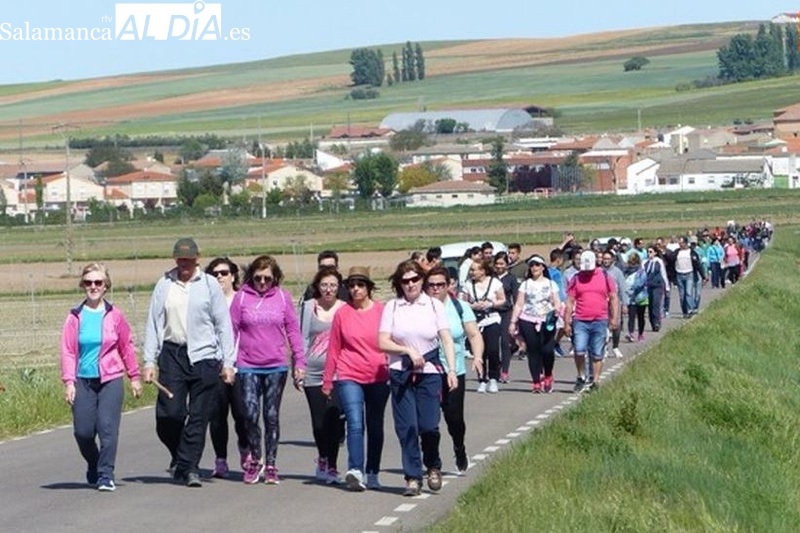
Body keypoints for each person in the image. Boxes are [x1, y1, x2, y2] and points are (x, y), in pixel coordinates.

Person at [142, 238, 235, 488]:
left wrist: (228, 362)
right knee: (169, 415)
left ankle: (190, 467)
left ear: (197, 259)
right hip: (172, 354)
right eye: (180, 259)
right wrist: (149, 360)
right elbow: (153, 323)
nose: (184, 263)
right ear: (175, 259)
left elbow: (223, 325)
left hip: (204, 357)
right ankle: (180, 456)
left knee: (198, 416)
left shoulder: (209, 285)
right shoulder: (164, 284)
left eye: (189, 259)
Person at [379, 260, 458, 497]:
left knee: (428, 425)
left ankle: (433, 465)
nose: (410, 284)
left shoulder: (433, 305)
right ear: (399, 284)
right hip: (401, 373)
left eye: (415, 279)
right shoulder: (393, 307)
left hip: (430, 373)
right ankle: (412, 476)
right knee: (407, 427)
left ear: (422, 280)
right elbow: (382, 341)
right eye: (405, 280)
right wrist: (407, 351)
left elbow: (445, 339)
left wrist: (452, 370)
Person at [61, 263, 142, 492]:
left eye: (98, 282)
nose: (93, 287)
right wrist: (69, 382)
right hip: (83, 380)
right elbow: (67, 350)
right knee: (83, 432)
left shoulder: (115, 316)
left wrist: (134, 376)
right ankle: (94, 464)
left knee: (107, 428)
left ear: (106, 286)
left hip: (110, 378)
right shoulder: (75, 317)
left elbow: (126, 346)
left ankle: (106, 474)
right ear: (82, 285)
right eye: (88, 282)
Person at [231, 255, 306, 485]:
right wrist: (228, 362)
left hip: (275, 364)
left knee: (271, 416)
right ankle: (255, 459)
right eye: (258, 278)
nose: (262, 283)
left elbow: (293, 330)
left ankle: (271, 463)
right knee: (250, 414)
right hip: (247, 364)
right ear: (251, 277)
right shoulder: (242, 297)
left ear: (275, 279)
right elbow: (231, 330)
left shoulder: (282, 298)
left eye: (267, 279)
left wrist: (299, 362)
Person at [323, 266, 390, 492]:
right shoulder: (342, 314)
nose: (355, 289)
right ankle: (355, 470)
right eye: (351, 285)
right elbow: (334, 348)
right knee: (354, 422)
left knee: (375, 425)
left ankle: (372, 471)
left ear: (368, 287)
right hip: (349, 374)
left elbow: (393, 341)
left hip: (378, 374)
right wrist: (327, 380)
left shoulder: (382, 311)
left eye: (360, 285)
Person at [425, 266, 484, 474]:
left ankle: (459, 448)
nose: (435, 289)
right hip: (427, 372)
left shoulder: (460, 307)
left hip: (454, 372)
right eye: (431, 285)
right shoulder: (420, 308)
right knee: (428, 422)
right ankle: (432, 462)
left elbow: (474, 335)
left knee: (454, 419)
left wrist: (477, 357)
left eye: (440, 284)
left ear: (448, 285)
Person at [300, 266, 347, 485]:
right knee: (319, 423)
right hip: (313, 370)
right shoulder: (309, 307)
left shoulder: (345, 309)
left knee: (334, 419)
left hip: (339, 372)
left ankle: (333, 467)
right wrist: (298, 367)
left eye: (333, 286)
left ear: (339, 288)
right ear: (318, 287)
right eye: (324, 285)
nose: (328, 290)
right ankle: (322, 457)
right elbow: (302, 339)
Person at [204, 257, 248, 479]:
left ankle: (245, 449)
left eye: (223, 272)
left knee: (243, 414)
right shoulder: (207, 301)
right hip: (215, 364)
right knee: (217, 416)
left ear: (233, 275)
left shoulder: (242, 300)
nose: (219, 277)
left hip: (242, 364)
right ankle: (220, 459)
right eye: (214, 273)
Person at [563, 250, 618, 393]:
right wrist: (566, 321)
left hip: (600, 320)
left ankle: (595, 381)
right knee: (579, 349)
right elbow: (569, 301)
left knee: (597, 352)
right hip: (580, 320)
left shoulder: (605, 276)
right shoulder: (576, 278)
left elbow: (613, 298)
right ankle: (581, 376)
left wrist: (614, 318)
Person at [510, 255, 560, 393]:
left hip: (547, 320)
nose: (534, 268)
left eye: (537, 265)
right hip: (528, 319)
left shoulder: (550, 284)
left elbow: (556, 301)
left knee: (547, 350)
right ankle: (536, 381)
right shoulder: (525, 285)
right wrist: (513, 322)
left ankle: (548, 374)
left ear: (543, 267)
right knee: (533, 351)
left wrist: (556, 309)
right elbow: (519, 304)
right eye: (532, 265)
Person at [460, 258, 505, 393]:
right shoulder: (468, 284)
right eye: (471, 270)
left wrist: (490, 304)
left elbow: (502, 299)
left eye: (474, 270)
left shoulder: (495, 282)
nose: (472, 272)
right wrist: (472, 306)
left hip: (492, 319)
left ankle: (493, 378)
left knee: (493, 349)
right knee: (479, 351)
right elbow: (461, 300)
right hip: (475, 320)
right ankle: (482, 379)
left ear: (483, 271)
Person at [493, 251, 518, 383]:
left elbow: (515, 298)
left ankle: (504, 371)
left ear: (507, 265)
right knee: (493, 343)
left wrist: (515, 318)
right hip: (493, 311)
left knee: (505, 342)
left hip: (506, 312)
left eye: (501, 263)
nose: (499, 266)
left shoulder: (511, 278)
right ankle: (495, 369)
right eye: (496, 263)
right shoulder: (491, 277)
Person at [623, 253, 648, 342]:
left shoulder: (641, 272)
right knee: (631, 316)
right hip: (630, 299)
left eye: (634, 262)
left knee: (641, 317)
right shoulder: (625, 272)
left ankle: (640, 334)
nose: (632, 264)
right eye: (631, 262)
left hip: (640, 297)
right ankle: (631, 333)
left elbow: (641, 283)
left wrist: (631, 289)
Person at [644, 245, 669, 332]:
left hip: (657, 286)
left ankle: (657, 322)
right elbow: (642, 275)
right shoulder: (645, 263)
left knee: (656, 304)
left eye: (650, 252)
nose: (649, 254)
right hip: (648, 286)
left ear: (655, 253)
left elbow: (663, 274)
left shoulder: (659, 262)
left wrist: (667, 287)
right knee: (650, 305)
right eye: (647, 252)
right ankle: (652, 323)